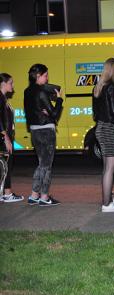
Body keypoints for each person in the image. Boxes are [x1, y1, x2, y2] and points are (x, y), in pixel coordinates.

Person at [24, 63, 63, 206]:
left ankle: (34, 195)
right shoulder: (42, 92)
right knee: (46, 166)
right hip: (46, 130)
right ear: (38, 75)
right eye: (45, 75)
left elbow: (32, 112)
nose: (47, 79)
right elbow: (54, 114)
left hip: (34, 131)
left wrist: (46, 113)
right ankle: (44, 197)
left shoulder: (27, 91)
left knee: (41, 164)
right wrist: (59, 99)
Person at [93, 58, 114, 213]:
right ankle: (106, 204)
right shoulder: (112, 87)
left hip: (100, 127)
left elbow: (95, 113)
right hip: (110, 128)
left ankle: (108, 200)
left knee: (107, 168)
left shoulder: (98, 87)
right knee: (110, 168)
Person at [0, 73, 24, 203]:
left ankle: (3, 192)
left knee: (3, 165)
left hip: (4, 137)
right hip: (3, 139)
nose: (13, 85)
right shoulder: (0, 98)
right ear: (3, 84)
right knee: (6, 165)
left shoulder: (3, 98)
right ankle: (7, 194)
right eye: (11, 83)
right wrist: (6, 138)